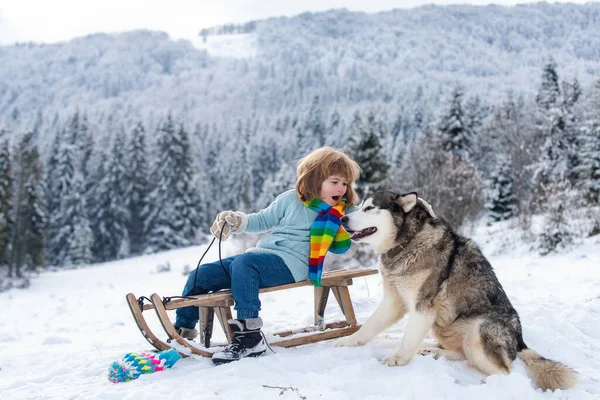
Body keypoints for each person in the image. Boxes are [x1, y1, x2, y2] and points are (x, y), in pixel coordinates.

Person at [174, 146, 361, 364]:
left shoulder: (343, 212)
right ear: (314, 179)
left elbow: (357, 232)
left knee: (245, 263)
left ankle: (250, 335)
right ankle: (183, 332)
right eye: (334, 181)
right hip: (262, 257)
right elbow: (262, 220)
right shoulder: (291, 199)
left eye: (345, 183)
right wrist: (235, 220)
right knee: (201, 275)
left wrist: (357, 223)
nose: (341, 188)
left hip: (294, 265)